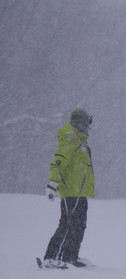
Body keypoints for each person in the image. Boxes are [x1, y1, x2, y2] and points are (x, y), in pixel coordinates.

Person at [42, 108, 95, 268]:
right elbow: (59, 160)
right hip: (71, 190)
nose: (88, 124)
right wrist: (53, 183)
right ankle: (53, 258)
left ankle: (70, 257)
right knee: (68, 224)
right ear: (79, 121)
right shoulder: (71, 138)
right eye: (86, 121)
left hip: (80, 191)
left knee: (79, 225)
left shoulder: (80, 139)